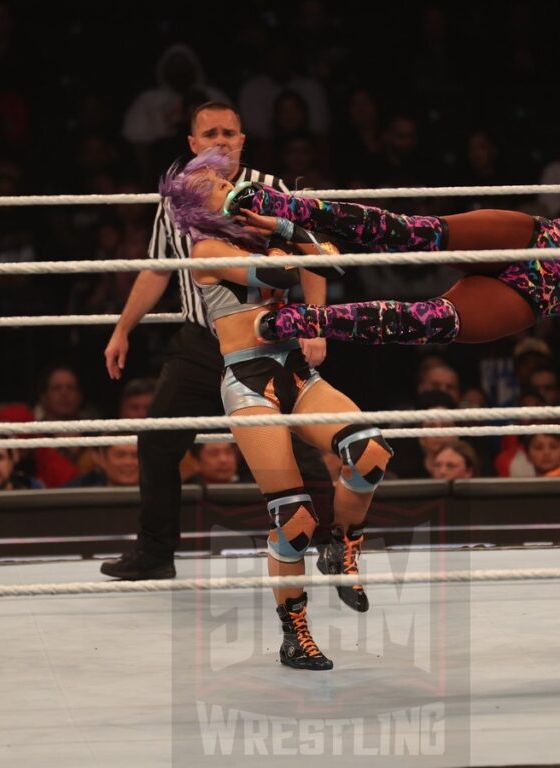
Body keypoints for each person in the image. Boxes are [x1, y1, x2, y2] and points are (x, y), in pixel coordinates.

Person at [234, 106, 560, 361]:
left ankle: (295, 321)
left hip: (532, 296)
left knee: (426, 322)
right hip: (531, 238)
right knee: (410, 232)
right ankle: (281, 205)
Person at [156, 149, 394, 671]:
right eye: (219, 184)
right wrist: (290, 226)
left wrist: (286, 223)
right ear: (202, 204)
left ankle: (345, 543)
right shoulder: (207, 250)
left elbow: (326, 259)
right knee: (295, 518)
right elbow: (290, 273)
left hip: (294, 371)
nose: (231, 184)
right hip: (248, 382)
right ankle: (296, 633)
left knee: (370, 449)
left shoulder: (259, 234)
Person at [100, 102, 331, 582]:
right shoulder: (176, 198)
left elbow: (309, 254)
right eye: (210, 133)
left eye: (229, 133)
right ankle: (156, 553)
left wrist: (315, 324)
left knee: (298, 444)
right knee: (158, 442)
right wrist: (123, 328)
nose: (220, 141)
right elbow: (159, 267)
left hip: (268, 338)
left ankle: (329, 542)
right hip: (201, 341)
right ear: (192, 143)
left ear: (243, 140)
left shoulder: (271, 189)